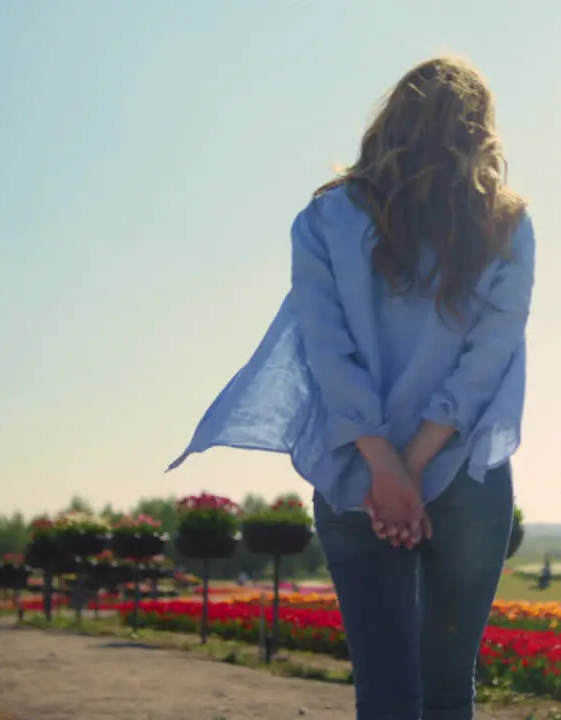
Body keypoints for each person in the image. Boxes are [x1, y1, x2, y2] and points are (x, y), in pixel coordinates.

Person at [167, 55, 534, 720]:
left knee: (385, 694)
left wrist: (383, 465)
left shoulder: (323, 218)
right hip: (465, 475)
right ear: (481, 131)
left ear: (389, 121)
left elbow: (325, 351)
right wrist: (415, 465)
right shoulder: (505, 224)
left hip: (353, 476)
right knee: (449, 691)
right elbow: (488, 357)